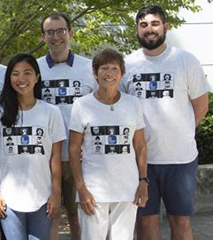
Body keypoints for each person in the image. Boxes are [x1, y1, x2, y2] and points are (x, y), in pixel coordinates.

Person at [119, 6, 211, 240]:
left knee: (180, 220)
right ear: (137, 30)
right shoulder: (127, 65)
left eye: (154, 23)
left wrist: (181, 134)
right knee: (145, 222)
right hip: (141, 161)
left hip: (180, 159)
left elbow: (201, 106)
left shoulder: (185, 60)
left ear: (165, 27)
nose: (149, 29)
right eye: (143, 25)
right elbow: (121, 110)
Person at [69, 49, 148, 240]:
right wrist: (81, 188)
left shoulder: (133, 103)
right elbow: (73, 150)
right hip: (93, 190)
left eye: (115, 69)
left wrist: (143, 181)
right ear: (95, 73)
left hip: (126, 189)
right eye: (104, 68)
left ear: (121, 74)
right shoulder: (81, 105)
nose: (109, 73)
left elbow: (140, 146)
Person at [0, 53, 65, 239]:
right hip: (9, 198)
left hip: (42, 196)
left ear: (37, 77)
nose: (21, 79)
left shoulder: (51, 112)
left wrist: (56, 193)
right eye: (15, 74)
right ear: (9, 78)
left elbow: (55, 158)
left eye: (27, 73)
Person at [36, 12, 97, 240]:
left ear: (70, 33)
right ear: (43, 37)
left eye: (60, 31)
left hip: (78, 156)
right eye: (49, 32)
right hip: (44, 156)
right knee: (49, 214)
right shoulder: (35, 68)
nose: (56, 37)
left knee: (77, 214)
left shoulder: (89, 68)